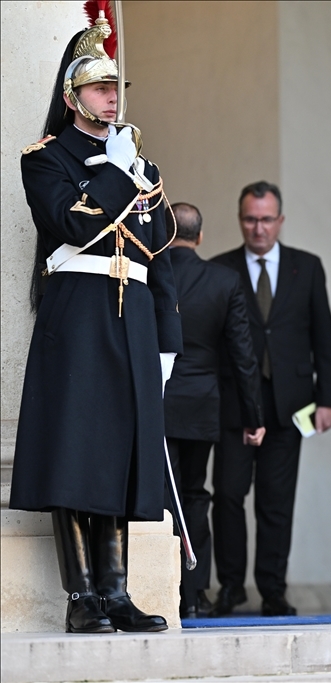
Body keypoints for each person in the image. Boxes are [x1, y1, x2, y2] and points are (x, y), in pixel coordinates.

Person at [10, 12, 181, 633]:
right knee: (75, 449)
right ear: (72, 97)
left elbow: (159, 243)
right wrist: (117, 170)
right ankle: (81, 597)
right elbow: (75, 224)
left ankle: (116, 593)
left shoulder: (137, 161)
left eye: (117, 89)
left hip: (130, 314)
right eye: (101, 88)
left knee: (118, 451)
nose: (113, 97)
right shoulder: (46, 159)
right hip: (79, 313)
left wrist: (167, 342)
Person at [209, 181, 331, 617]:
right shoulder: (220, 268)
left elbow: (324, 337)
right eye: (250, 219)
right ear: (240, 219)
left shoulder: (308, 267)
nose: (258, 228)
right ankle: (230, 587)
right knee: (227, 496)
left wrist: (328, 398)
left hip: (291, 402)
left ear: (280, 220)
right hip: (233, 403)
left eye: (266, 219)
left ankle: (273, 590)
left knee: (276, 501)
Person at [163, 202, 266, 619]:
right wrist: (253, 416)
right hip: (203, 404)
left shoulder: (152, 274)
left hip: (159, 401)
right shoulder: (224, 280)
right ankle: (194, 593)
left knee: (160, 498)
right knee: (195, 495)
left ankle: (161, 588)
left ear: (166, 234)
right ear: (201, 237)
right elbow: (244, 357)